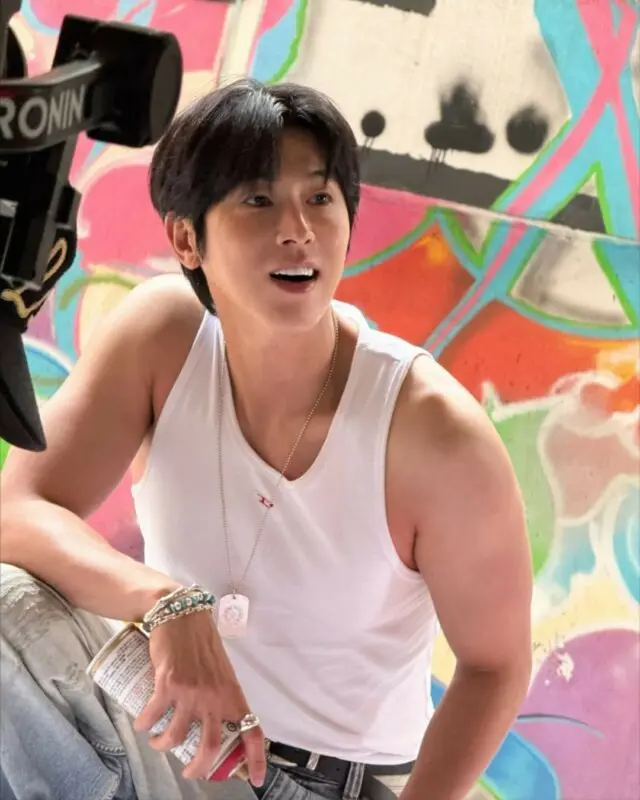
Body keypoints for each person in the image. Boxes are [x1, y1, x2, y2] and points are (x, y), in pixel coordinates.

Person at [0, 78, 533, 800]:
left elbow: (496, 665)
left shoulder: (431, 431)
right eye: (258, 200)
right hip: (175, 749)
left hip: (321, 783)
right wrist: (164, 600)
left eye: (320, 198)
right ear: (187, 238)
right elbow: (16, 509)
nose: (298, 229)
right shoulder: (164, 339)